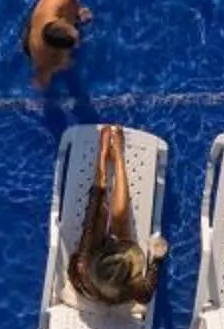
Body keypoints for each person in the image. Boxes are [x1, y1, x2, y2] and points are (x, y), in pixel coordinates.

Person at [67, 123, 164, 307]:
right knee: (120, 217)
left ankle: (112, 154)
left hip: (91, 275)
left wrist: (102, 155)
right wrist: (157, 258)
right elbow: (147, 292)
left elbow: (93, 205)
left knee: (100, 214)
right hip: (105, 279)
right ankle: (118, 155)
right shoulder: (134, 288)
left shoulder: (84, 265)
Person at [23, 0, 90, 89]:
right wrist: (60, 64)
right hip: (34, 42)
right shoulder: (41, 54)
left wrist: (78, 11)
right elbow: (43, 74)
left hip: (43, 14)